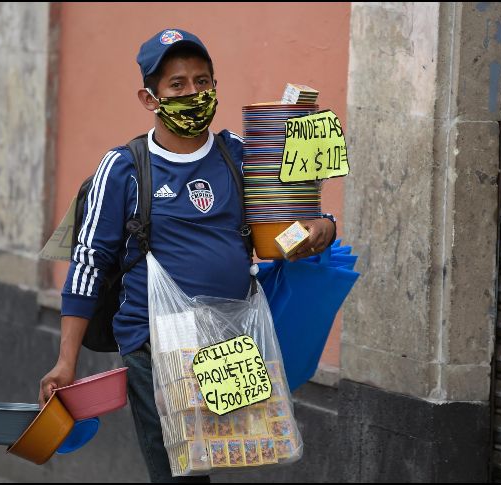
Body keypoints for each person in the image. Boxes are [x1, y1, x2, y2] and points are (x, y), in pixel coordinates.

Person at [39, 28, 336, 483]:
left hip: (231, 346)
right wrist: (66, 360)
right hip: (157, 347)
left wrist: (324, 227)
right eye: (177, 85)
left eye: (202, 82)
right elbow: (88, 264)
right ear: (149, 97)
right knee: (180, 472)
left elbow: (295, 214)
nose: (193, 93)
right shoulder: (123, 168)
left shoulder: (238, 153)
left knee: (235, 455)